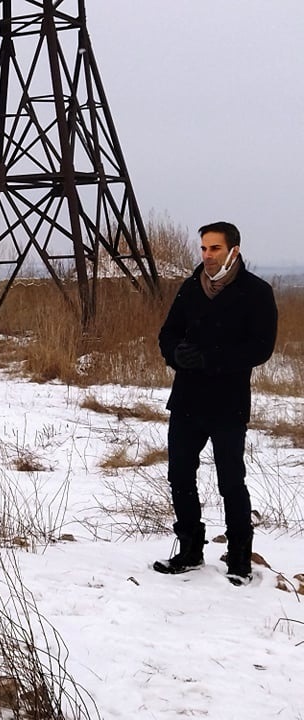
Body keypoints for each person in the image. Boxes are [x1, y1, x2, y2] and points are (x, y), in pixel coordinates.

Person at [153, 221, 277, 585]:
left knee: (230, 480)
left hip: (228, 402)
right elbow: (167, 333)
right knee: (179, 476)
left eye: (215, 249)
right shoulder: (190, 288)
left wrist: (210, 358)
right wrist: (177, 354)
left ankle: (239, 557)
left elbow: (260, 347)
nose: (207, 255)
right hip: (187, 400)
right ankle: (190, 549)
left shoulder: (256, 292)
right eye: (204, 249)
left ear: (233, 250)